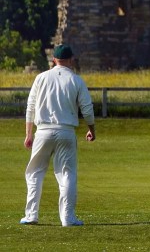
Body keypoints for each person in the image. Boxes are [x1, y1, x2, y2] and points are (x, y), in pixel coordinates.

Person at [21, 44, 96, 227]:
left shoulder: (41, 78)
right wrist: (91, 130)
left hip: (43, 131)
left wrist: (28, 134)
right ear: (71, 60)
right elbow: (87, 108)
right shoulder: (76, 80)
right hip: (66, 131)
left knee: (35, 173)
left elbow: (30, 107)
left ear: (54, 60)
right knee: (67, 174)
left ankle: (31, 215)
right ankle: (68, 218)